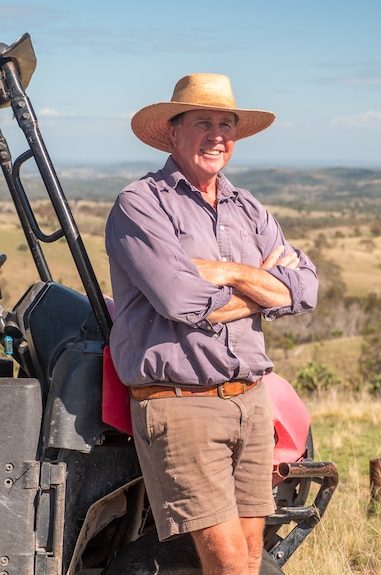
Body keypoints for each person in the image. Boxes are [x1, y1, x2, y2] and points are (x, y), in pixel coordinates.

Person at [105, 73, 318, 575]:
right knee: (226, 562)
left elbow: (305, 289)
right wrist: (264, 287)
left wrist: (226, 272)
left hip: (249, 398)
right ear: (173, 132)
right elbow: (182, 299)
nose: (217, 134)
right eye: (204, 122)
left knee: (248, 556)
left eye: (227, 124)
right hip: (181, 405)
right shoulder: (141, 204)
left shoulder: (249, 208)